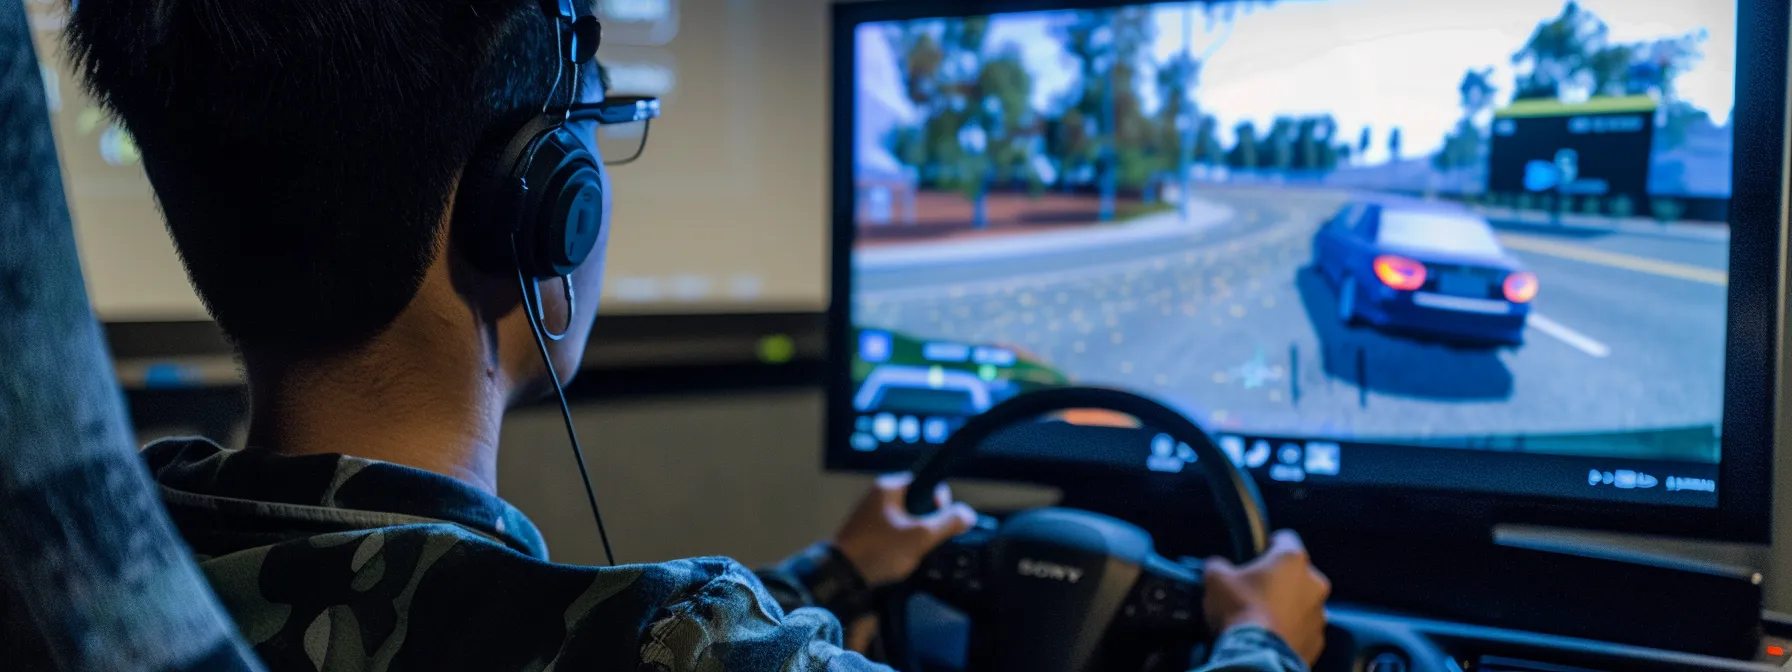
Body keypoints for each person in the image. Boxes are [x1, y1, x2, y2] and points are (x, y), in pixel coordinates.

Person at [61, 0, 1330, 669]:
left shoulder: (95, 575)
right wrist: (1259, 641)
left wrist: (825, 586)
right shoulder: (699, 653)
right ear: (540, 211)